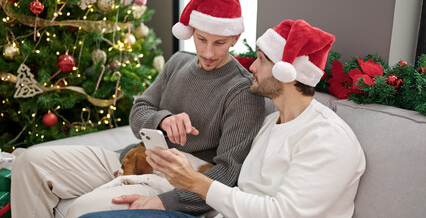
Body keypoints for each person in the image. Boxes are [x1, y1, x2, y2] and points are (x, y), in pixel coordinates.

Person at [11, 0, 266, 218]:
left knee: (81, 209)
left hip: (170, 181)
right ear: (191, 32)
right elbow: (138, 113)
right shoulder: (179, 62)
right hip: (132, 158)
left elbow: (228, 174)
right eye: (201, 40)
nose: (208, 52)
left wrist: (168, 202)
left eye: (220, 43)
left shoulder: (242, 91)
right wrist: (163, 120)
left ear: (234, 38)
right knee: (28, 163)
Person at [80, 19, 366, 218]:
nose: (252, 66)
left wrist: (195, 183)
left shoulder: (327, 138)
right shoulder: (271, 124)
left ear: (286, 72)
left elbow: (282, 213)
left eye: (262, 60)